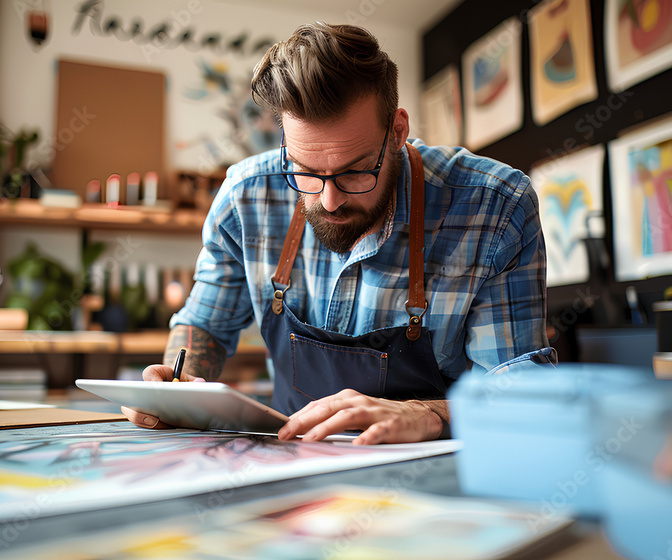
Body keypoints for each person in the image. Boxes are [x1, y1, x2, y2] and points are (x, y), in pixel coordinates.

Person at [124, 22, 552, 444]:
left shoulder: (494, 207)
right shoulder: (245, 198)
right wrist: (173, 388)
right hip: (291, 457)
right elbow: (205, 327)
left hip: (430, 468)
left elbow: (524, 393)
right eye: (306, 171)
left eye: (355, 171)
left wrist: (427, 413)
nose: (329, 201)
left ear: (397, 133)